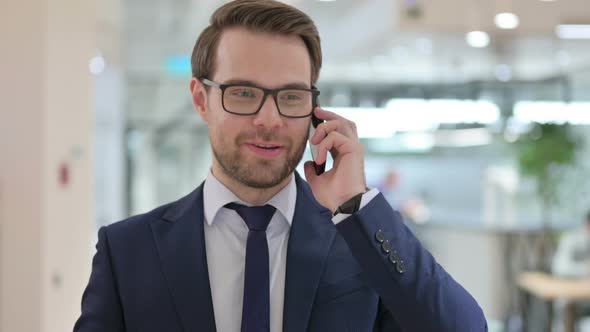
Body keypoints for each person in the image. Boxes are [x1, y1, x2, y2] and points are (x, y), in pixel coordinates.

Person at [74, 1, 487, 331]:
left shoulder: (360, 240)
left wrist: (357, 204)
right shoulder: (128, 251)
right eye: (243, 92)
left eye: (290, 96)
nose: (269, 120)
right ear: (201, 100)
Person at [552, 211, 590, 277]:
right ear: (587, 224)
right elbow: (559, 268)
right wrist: (585, 270)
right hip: (567, 284)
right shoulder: (571, 239)